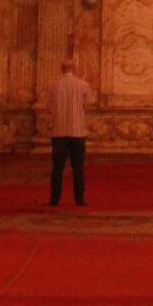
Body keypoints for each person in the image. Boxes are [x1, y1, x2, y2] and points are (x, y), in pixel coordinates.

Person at [47, 56, 94, 207]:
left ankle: (55, 199)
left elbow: (49, 107)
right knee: (78, 168)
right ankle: (79, 199)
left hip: (59, 132)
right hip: (77, 132)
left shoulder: (53, 85)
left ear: (62, 69)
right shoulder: (83, 85)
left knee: (57, 168)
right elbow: (88, 105)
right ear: (74, 69)